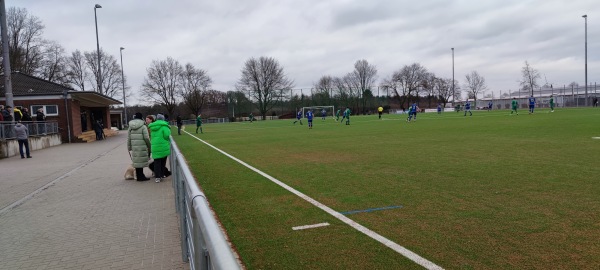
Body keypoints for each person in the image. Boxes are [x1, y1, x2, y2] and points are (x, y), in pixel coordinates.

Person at [127, 112, 151, 181]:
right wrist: (149, 146)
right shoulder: (143, 126)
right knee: (141, 161)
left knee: (137, 161)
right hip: (142, 146)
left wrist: (129, 147)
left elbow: (128, 138)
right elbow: (146, 137)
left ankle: (139, 175)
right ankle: (141, 176)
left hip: (134, 147)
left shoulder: (130, 127)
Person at [148, 114, 171, 183]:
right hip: (163, 146)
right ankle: (161, 174)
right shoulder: (164, 126)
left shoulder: (152, 126)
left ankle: (157, 177)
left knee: (157, 162)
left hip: (155, 146)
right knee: (163, 162)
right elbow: (167, 135)